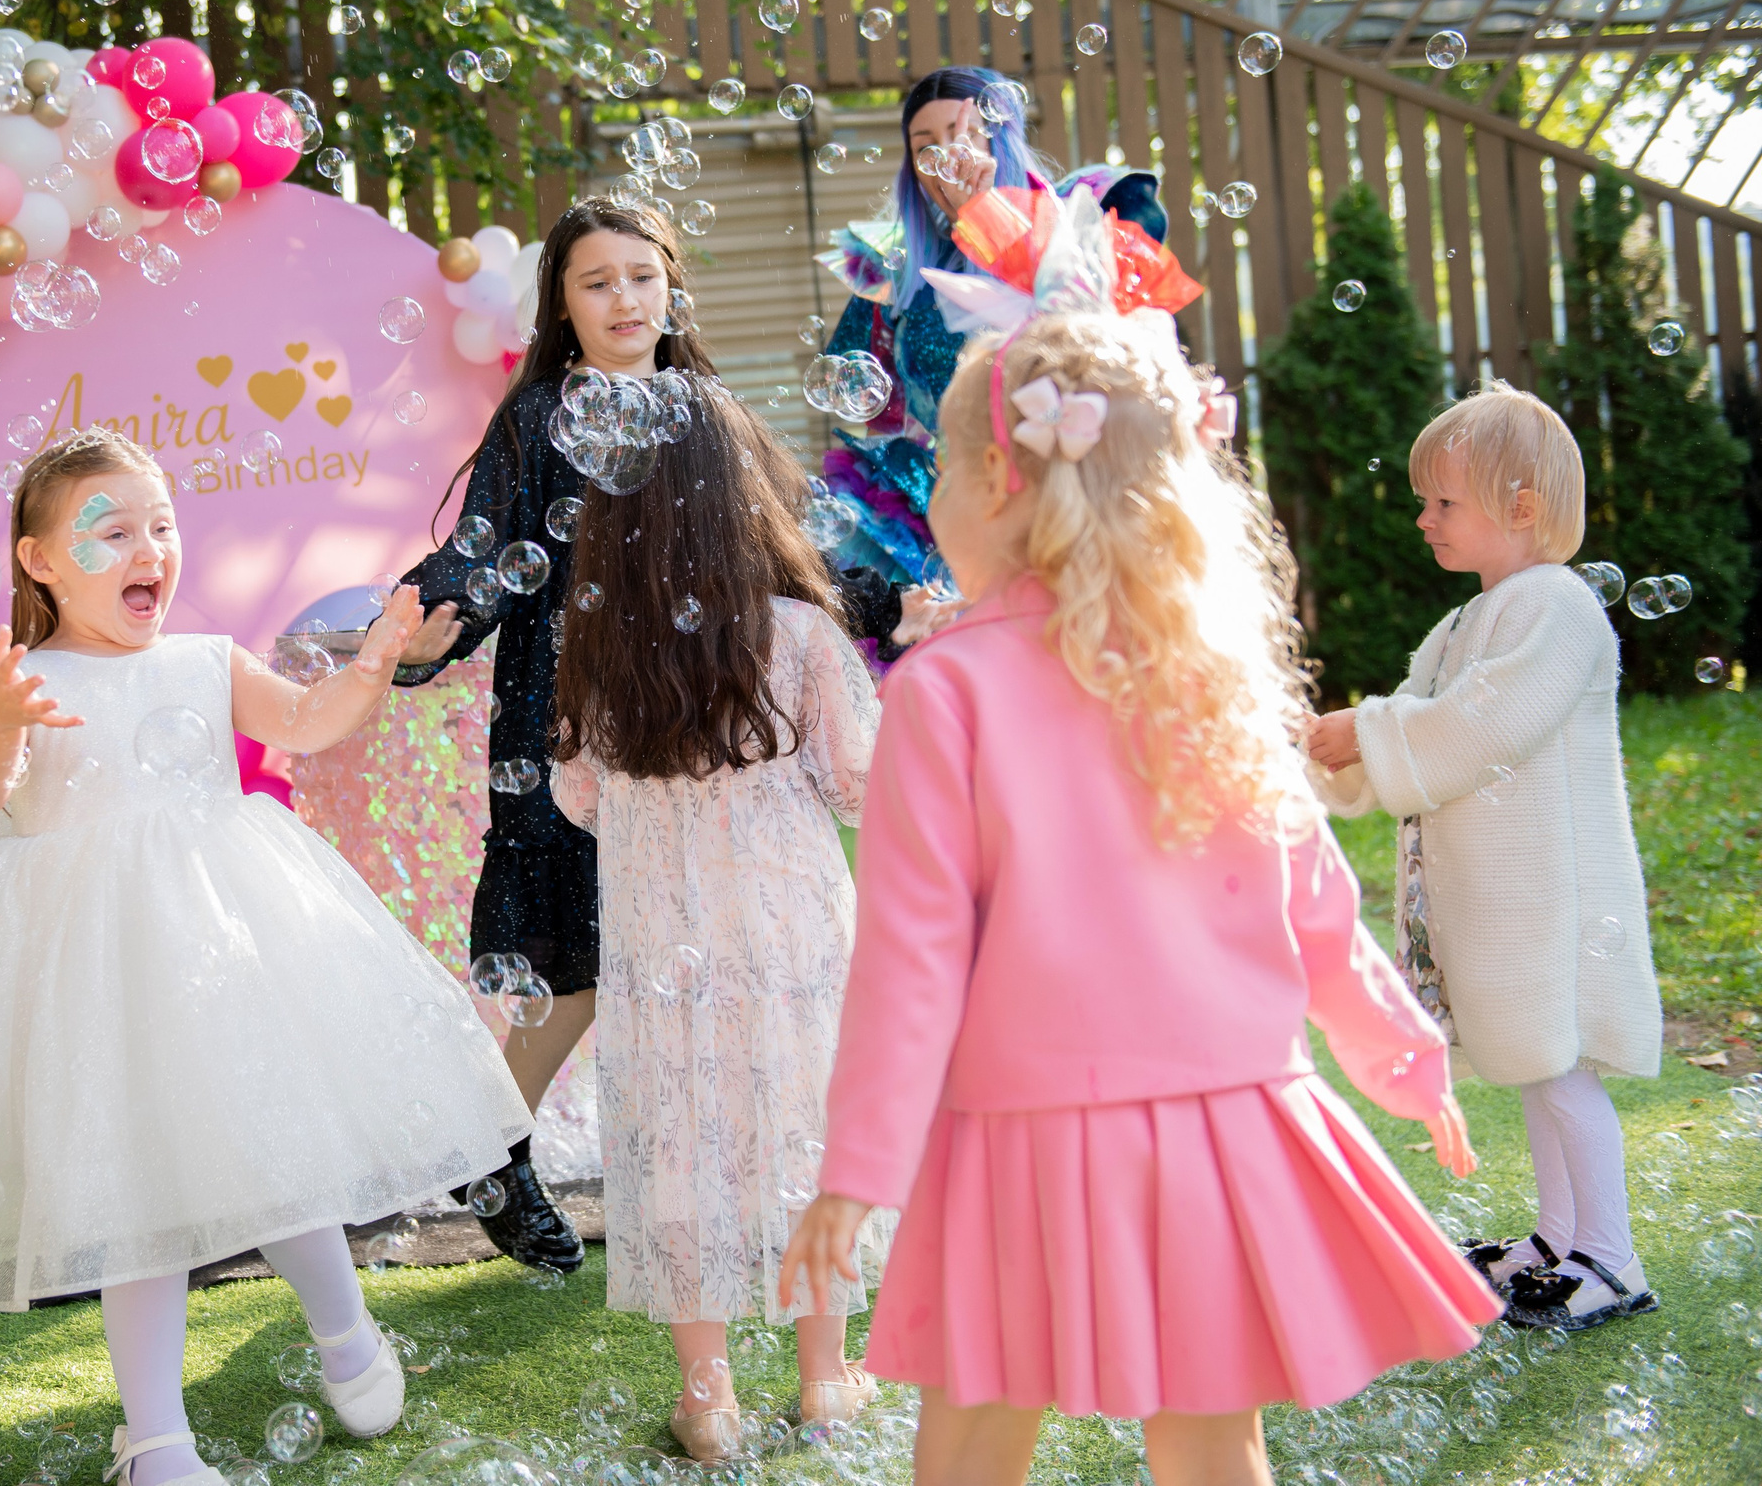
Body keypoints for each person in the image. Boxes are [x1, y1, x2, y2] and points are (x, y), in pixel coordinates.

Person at [780, 286, 1499, 1485]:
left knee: (969, 1433)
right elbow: (1319, 912)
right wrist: (1404, 1061)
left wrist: (856, 1167)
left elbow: (911, 959)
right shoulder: (1210, 676)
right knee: (1215, 1440)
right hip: (1220, 1125)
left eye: (937, 468)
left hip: (1014, 1132)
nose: (927, 497)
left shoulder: (943, 690)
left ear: (1000, 487)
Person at [0, 427, 530, 1486]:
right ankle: (155, 1436)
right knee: (128, 1192)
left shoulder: (202, 660)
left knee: (278, 1148)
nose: (148, 547)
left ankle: (345, 1333)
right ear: (40, 561)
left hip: (222, 941)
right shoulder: (21, 678)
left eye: (159, 525)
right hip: (90, 971)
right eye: (110, 531)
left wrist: (376, 656)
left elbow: (310, 716)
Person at [389, 197, 914, 1271]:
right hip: (573, 717)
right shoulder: (542, 418)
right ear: (562, 307)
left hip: (692, 729)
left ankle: (706, 1175)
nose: (623, 297)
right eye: (596, 280)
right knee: (573, 955)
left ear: (672, 285)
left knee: (675, 955)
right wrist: (420, 623)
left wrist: (890, 601)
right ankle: (493, 1142)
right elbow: (483, 550)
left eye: (641, 274)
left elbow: (777, 565)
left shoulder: (708, 409)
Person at [548, 381, 885, 1460]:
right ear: (742, 497)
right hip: (790, 940)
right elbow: (858, 785)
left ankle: (710, 1400)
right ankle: (825, 1379)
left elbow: (579, 796)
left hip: (663, 948)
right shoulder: (798, 633)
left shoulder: (600, 650)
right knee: (800, 1138)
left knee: (686, 1153)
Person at [1305, 385, 1664, 1332]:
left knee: (1562, 1072)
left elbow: (1480, 726)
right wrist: (1332, 756)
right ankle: (1557, 1239)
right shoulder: (1469, 620)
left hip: (1552, 898)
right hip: (1501, 900)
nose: (1423, 518)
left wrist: (1368, 731)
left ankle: (1613, 1259)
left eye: (1443, 502)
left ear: (1520, 506)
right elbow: (1415, 726)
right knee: (1533, 1066)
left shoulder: (1557, 606)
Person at [817, 66, 1175, 623]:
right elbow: (873, 404)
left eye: (963, 134)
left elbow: (1096, 342)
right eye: (925, 145)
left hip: (1057, 506)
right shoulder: (896, 271)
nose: (946, 157)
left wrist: (986, 215)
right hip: (930, 519)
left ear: (999, 136)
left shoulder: (1077, 223)